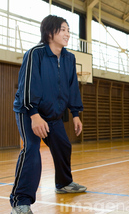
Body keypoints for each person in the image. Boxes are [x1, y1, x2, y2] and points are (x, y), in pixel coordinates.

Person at [11, 15, 86, 214]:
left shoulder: (69, 58)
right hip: (29, 112)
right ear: (49, 32)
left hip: (53, 115)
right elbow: (27, 85)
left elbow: (72, 87)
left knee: (63, 145)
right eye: (63, 29)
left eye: (68, 30)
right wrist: (34, 115)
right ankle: (20, 202)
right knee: (31, 150)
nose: (67, 34)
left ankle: (63, 184)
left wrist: (76, 113)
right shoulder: (35, 54)